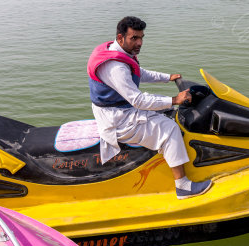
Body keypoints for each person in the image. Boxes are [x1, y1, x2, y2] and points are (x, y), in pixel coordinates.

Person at [87, 16, 212, 199]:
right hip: (118, 120)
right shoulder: (115, 67)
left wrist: (167, 77)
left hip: (120, 110)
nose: (139, 43)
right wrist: (175, 99)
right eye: (134, 38)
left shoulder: (116, 51)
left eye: (141, 37)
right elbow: (137, 100)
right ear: (121, 38)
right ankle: (183, 186)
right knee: (170, 129)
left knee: (166, 111)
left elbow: (139, 72)